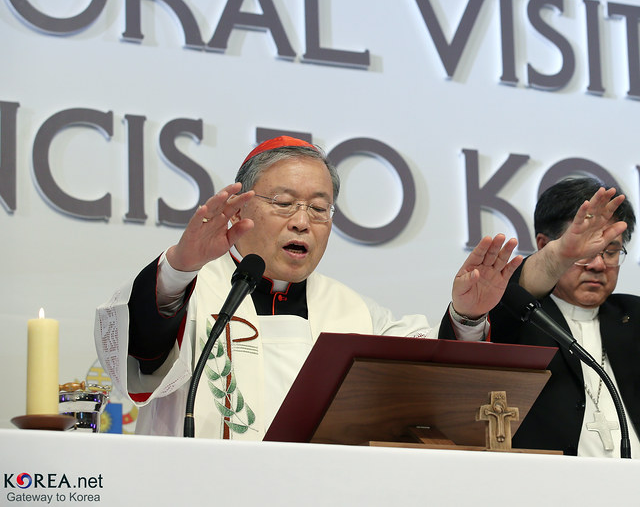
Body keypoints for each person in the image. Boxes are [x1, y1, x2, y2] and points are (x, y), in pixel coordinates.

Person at [95, 136, 522, 440]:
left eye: (319, 208)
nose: (302, 221)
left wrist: (467, 317)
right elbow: (141, 354)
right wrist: (178, 268)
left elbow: (426, 379)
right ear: (242, 205)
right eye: (284, 203)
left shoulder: (353, 311)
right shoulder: (193, 285)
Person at [441, 177, 640, 459]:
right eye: (585, 250)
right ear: (544, 246)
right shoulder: (518, 317)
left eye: (612, 251)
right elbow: (469, 343)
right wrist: (557, 258)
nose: (598, 264)